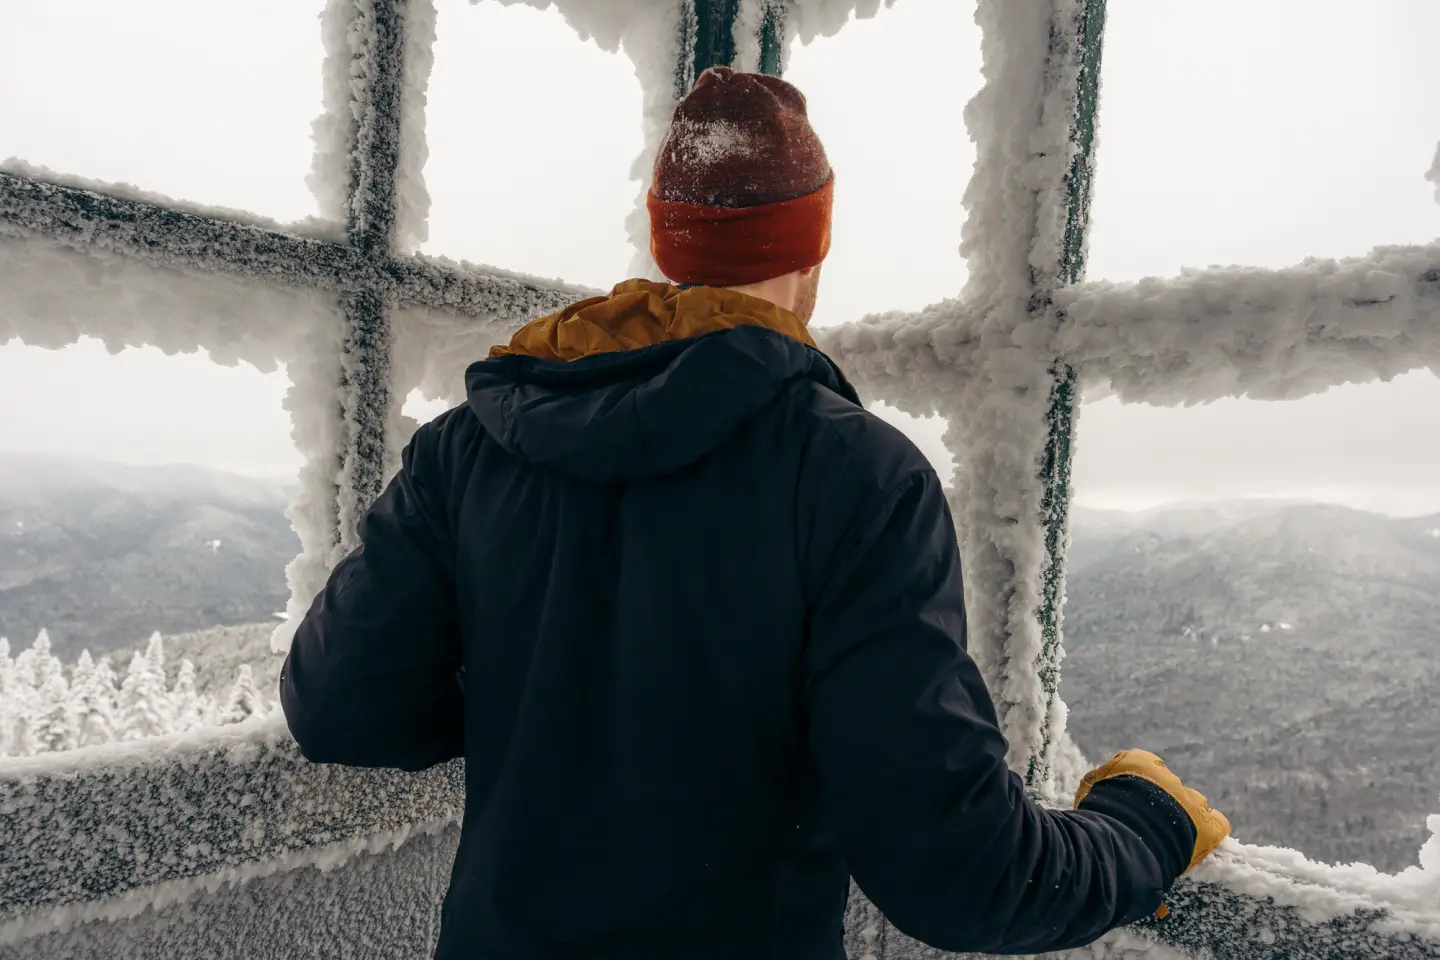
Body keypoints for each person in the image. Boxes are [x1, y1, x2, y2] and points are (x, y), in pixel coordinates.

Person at [280, 66, 1230, 959]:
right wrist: (1142, 826)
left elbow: (338, 709)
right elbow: (961, 873)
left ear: (667, 238)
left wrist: (541, 697)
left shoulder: (472, 445)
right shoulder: (856, 476)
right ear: (812, 246)